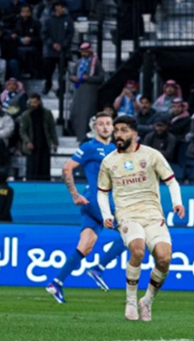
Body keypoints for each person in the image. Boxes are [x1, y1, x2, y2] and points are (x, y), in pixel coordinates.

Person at [98, 116, 185, 322]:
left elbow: (171, 182)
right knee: (137, 250)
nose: (118, 134)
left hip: (153, 215)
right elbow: (102, 191)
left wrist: (177, 202)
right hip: (127, 214)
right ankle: (130, 301)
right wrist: (106, 215)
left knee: (164, 259)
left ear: (135, 134)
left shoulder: (152, 155)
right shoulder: (109, 161)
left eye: (124, 130)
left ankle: (146, 301)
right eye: (117, 130)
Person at [46, 113, 127, 303]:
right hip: (97, 200)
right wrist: (74, 194)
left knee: (85, 246)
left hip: (102, 200)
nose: (106, 127)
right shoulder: (90, 147)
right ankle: (99, 268)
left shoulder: (116, 149)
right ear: (95, 128)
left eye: (109, 124)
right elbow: (67, 168)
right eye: (101, 124)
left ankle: (56, 282)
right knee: (130, 232)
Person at [19, 94, 59, 180]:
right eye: (31, 102)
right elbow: (22, 131)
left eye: (35, 102)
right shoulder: (25, 115)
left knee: (44, 166)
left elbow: (52, 129)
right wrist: (28, 141)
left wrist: (55, 142)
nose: (33, 104)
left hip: (44, 143)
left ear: (39, 102)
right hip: (32, 145)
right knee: (32, 167)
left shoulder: (47, 113)